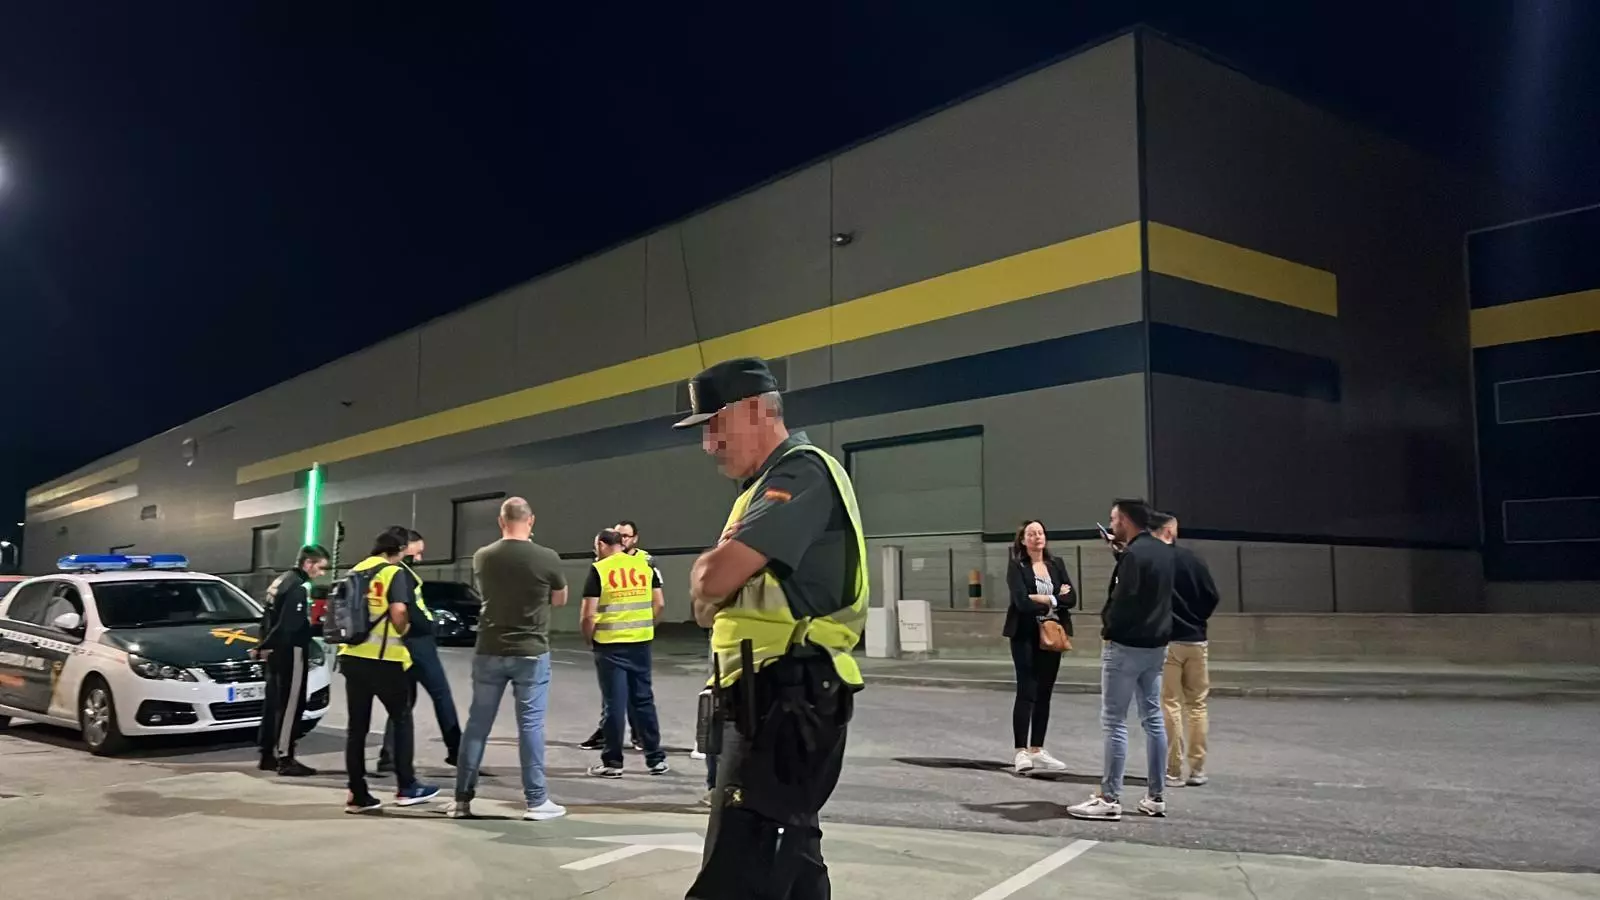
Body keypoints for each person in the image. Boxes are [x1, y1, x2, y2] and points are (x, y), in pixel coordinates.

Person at [673, 357, 869, 900]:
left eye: (715, 424)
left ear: (757, 411)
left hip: (785, 701)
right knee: (792, 857)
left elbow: (712, 581)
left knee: (737, 874)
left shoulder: (800, 473)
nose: (708, 444)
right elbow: (704, 607)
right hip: (769, 699)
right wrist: (715, 578)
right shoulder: (759, 489)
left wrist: (712, 570)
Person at [450, 496, 569, 821]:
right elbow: (560, 599)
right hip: (531, 650)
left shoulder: (483, 556)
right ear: (531, 521)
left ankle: (461, 800)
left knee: (477, 725)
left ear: (501, 522)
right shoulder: (547, 557)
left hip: (489, 648)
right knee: (530, 726)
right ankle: (536, 801)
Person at [1067, 498, 1174, 822]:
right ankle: (1156, 796)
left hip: (1125, 646)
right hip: (1156, 646)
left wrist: (1108, 627)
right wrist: (1120, 553)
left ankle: (1109, 797)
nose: (1111, 524)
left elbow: (1123, 599)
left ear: (1126, 520)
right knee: (1153, 719)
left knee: (1114, 721)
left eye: (1114, 519)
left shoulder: (1133, 556)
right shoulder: (1164, 552)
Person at [338, 530, 441, 813]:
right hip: (384, 658)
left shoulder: (356, 571)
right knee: (402, 719)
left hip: (352, 656)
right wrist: (405, 630)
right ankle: (407, 786)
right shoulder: (393, 573)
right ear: (399, 549)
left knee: (356, 728)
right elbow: (398, 613)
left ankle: (357, 794)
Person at [582, 528, 669, 778]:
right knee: (643, 700)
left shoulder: (599, 569)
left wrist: (589, 638)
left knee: (614, 704)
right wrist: (646, 626)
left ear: (601, 545)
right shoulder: (644, 566)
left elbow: (588, 615)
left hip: (610, 645)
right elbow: (659, 603)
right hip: (641, 642)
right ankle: (655, 760)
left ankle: (613, 763)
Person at [378, 528, 462, 773]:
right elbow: (410, 610)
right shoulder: (401, 573)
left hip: (397, 644)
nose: (420, 558)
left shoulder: (382, 570)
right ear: (405, 546)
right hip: (418, 642)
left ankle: (389, 755)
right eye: (418, 551)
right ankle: (457, 751)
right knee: (441, 695)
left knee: (403, 701)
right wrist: (431, 625)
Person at [1152, 512, 1220, 788]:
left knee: (1170, 703)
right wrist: (1197, 619)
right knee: (1197, 704)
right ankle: (1198, 768)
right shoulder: (1193, 560)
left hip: (1167, 641)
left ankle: (1173, 769)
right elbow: (1212, 596)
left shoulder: (1154, 561)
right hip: (1196, 640)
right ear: (1171, 530)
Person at [1002, 520, 1074, 775]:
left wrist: (1044, 598)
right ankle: (1021, 751)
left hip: (1053, 633)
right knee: (1027, 690)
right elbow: (1021, 603)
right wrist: (1056, 599)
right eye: (1031, 534)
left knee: (1045, 691)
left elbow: (1071, 598)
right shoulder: (1017, 566)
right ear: (1023, 540)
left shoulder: (1056, 564)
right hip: (1025, 634)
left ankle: (1037, 748)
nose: (1037, 537)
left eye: (1040, 532)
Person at [255, 544, 329, 777]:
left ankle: (267, 754)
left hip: (275, 653)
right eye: (320, 567)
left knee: (273, 703)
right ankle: (286, 758)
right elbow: (288, 625)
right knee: (290, 706)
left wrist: (264, 645)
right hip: (291, 652)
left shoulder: (280, 582)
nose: (321, 573)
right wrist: (268, 645)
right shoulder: (297, 587)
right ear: (308, 563)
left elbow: (268, 619)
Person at [579, 520, 651, 753]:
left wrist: (590, 638)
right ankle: (643, 749)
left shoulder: (645, 562)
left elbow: (588, 614)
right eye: (620, 535)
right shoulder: (607, 566)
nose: (623, 539)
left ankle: (624, 749)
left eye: (627, 536)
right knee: (620, 696)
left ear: (635, 538)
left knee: (626, 697)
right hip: (625, 639)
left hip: (621, 640)